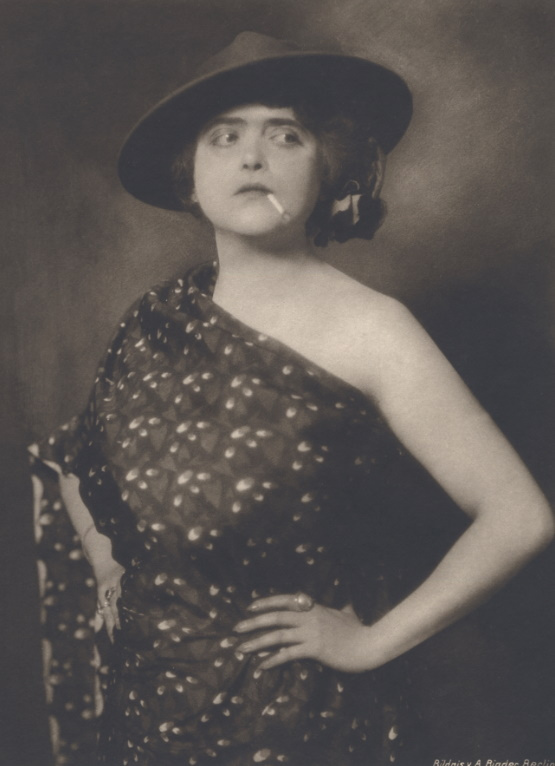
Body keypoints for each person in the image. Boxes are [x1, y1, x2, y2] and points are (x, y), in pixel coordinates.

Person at [32, 31, 553, 766]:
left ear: (326, 169)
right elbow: (77, 461)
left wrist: (372, 643)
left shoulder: (373, 330)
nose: (252, 157)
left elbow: (518, 517)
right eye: (224, 137)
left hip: (293, 724)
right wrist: (110, 570)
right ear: (191, 179)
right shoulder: (155, 318)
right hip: (146, 712)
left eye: (285, 135)